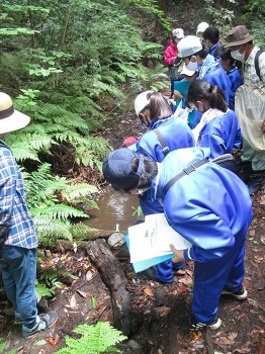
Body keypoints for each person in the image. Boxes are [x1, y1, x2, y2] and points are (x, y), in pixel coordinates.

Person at [102, 147, 252, 331]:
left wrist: (184, 254)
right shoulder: (176, 156)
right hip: (238, 202)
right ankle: (235, 288)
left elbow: (219, 245)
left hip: (224, 230)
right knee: (235, 253)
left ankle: (206, 318)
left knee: (208, 277)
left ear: (132, 189)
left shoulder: (177, 206)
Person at [0, 92, 58, 338]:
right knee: (24, 282)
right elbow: (3, 208)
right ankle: (31, 325)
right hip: (15, 235)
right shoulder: (4, 158)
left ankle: (19, 312)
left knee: (9, 277)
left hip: (4, 242)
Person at [132, 90, 195, 284]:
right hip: (186, 187)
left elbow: (146, 178)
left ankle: (164, 275)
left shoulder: (147, 141)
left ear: (145, 115)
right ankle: (178, 263)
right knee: (178, 225)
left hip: (160, 194)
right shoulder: (184, 125)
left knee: (159, 228)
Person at [225, 25, 265, 195]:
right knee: (249, 142)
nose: (233, 52)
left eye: (234, 48)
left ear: (243, 45)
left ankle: (259, 175)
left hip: (262, 112)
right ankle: (247, 168)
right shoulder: (245, 61)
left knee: (260, 145)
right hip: (251, 110)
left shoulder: (261, 60)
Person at [177, 35, 232, 127]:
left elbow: (206, 110)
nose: (185, 64)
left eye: (184, 61)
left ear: (193, 58)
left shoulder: (210, 77)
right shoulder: (210, 67)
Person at [186, 79, 242, 160]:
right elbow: (237, 140)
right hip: (230, 163)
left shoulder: (210, 131)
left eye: (194, 107)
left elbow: (211, 163)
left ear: (199, 104)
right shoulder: (230, 113)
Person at [216, 45, 243, 110]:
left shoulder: (234, 76)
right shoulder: (226, 72)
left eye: (220, 59)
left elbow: (232, 98)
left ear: (227, 62)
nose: (218, 61)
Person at [163, 28, 185, 97]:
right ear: (174, 38)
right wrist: (174, 59)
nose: (180, 40)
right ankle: (173, 99)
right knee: (175, 87)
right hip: (174, 72)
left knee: (183, 85)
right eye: (178, 39)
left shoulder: (184, 47)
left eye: (181, 38)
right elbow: (166, 60)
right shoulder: (169, 49)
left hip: (184, 71)